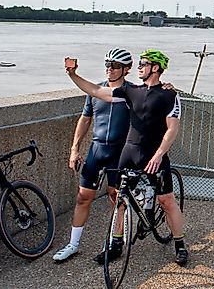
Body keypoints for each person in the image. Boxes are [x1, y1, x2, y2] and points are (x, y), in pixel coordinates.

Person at [64, 49, 189, 266]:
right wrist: (73, 75)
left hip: (155, 154)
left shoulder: (169, 94)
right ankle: (116, 244)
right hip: (129, 152)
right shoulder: (132, 91)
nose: (139, 66)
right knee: (119, 198)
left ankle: (180, 244)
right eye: (139, 63)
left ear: (156, 68)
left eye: (144, 63)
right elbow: (96, 91)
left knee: (167, 201)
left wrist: (160, 154)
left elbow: (172, 129)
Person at [53, 48, 133, 263]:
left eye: (115, 66)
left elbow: (155, 97)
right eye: (107, 64)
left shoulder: (132, 92)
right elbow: (85, 119)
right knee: (82, 197)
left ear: (127, 69)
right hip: (97, 149)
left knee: (116, 197)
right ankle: (73, 244)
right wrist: (74, 149)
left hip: (121, 151)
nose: (109, 69)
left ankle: (116, 242)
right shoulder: (95, 91)